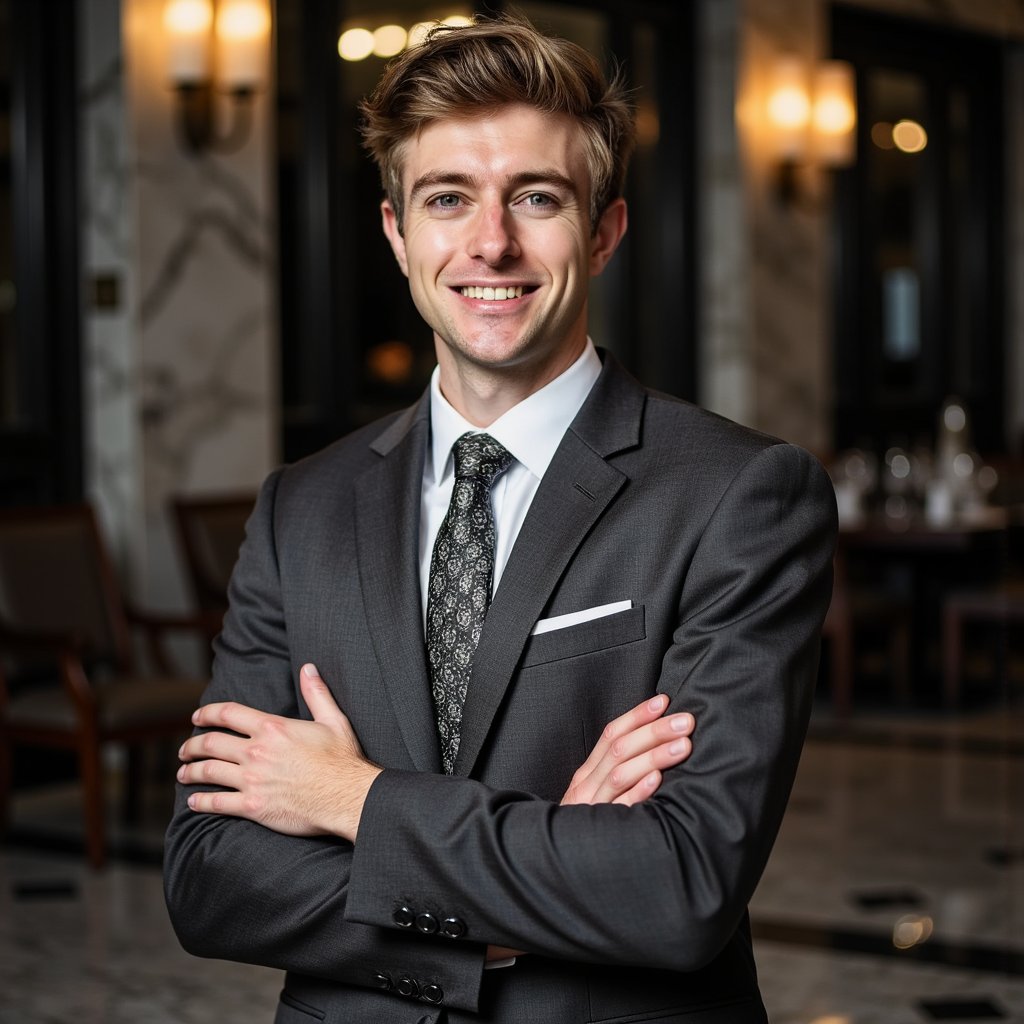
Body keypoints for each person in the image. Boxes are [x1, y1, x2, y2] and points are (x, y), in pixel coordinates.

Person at [164, 15, 837, 1024]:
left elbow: (677, 884)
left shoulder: (741, 497)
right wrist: (539, 882)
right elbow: (211, 875)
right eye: (446, 199)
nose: (490, 243)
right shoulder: (299, 507)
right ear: (397, 234)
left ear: (604, 231)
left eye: (536, 197)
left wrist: (347, 801)